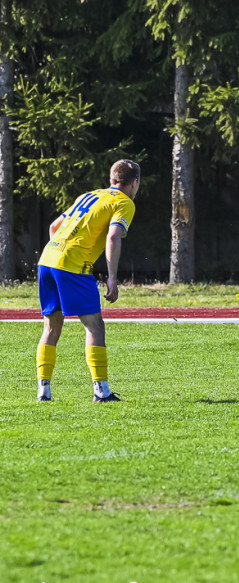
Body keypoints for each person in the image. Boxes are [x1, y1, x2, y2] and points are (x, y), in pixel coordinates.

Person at [35, 159, 141, 403]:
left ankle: (44, 391)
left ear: (112, 179)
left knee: (51, 327)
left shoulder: (89, 195)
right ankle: (101, 392)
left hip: (47, 258)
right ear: (134, 182)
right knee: (94, 326)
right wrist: (112, 278)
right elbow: (113, 235)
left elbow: (54, 226)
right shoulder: (123, 202)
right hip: (72, 266)